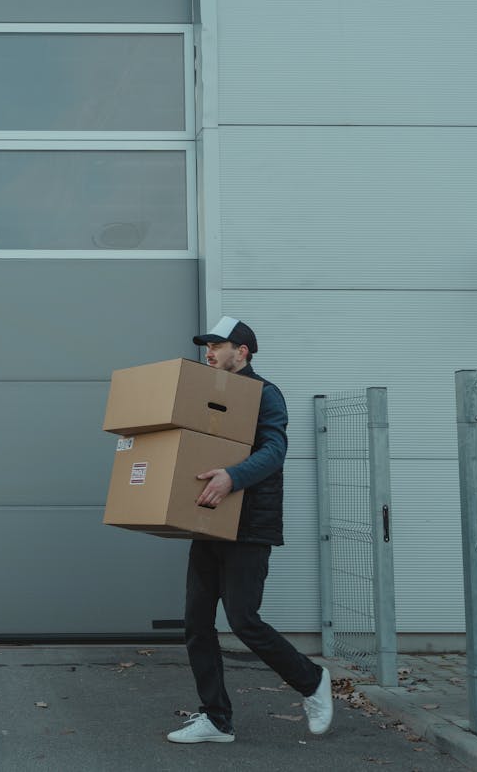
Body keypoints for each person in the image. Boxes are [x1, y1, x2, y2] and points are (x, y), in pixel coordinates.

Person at [166, 316, 333, 744]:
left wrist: (231, 478)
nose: (209, 352)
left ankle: (312, 681)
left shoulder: (265, 394)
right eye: (207, 346)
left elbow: (275, 451)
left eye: (217, 345)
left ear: (242, 352)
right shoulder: (210, 396)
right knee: (196, 623)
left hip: (249, 525)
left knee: (243, 619)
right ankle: (216, 719)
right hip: (209, 522)